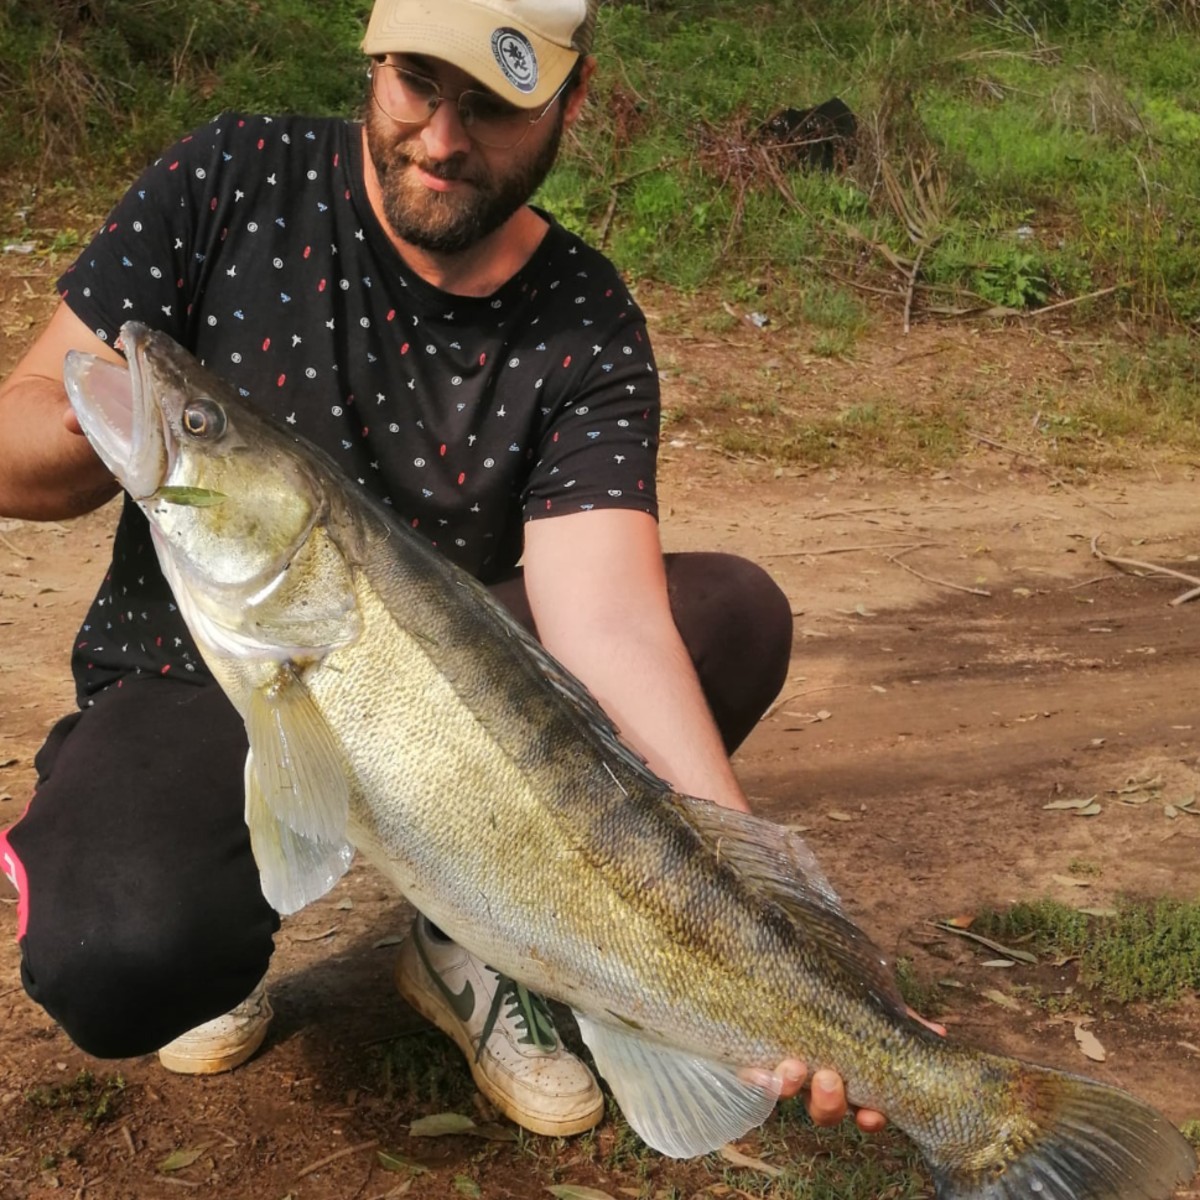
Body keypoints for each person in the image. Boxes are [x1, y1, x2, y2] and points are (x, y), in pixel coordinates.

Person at [0, 0, 887, 1141]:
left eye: (493, 105)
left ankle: (474, 933)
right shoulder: (231, 178)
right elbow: (23, 422)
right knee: (116, 951)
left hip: (464, 711)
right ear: (372, 63)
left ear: (571, 102)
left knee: (727, 612)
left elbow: (608, 623)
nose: (443, 137)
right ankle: (218, 928)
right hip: (203, 673)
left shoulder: (586, 319)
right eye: (419, 82)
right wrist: (130, 431)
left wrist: (791, 945)